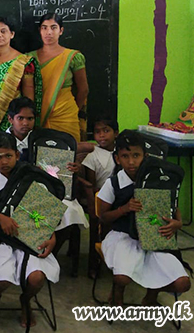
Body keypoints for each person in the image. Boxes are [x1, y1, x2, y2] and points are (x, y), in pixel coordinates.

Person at [0, 132, 59, 329]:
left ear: (17, 155)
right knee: (2, 280)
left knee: (36, 278)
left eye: (8, 156)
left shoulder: (30, 178)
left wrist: (51, 237)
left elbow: (45, 212)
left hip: (27, 233)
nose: (4, 161)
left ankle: (26, 300)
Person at [97, 131, 190, 305]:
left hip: (155, 236)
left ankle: (151, 295)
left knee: (182, 283)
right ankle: (118, 292)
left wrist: (178, 223)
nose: (131, 162)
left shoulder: (158, 180)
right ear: (117, 159)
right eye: (125, 156)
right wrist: (124, 209)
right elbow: (103, 217)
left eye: (136, 155)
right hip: (123, 236)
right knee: (122, 277)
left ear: (145, 157)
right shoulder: (114, 183)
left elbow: (173, 206)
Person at [27, 13, 89, 141]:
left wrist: (73, 110)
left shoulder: (72, 57)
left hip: (66, 115)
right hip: (38, 116)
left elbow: (83, 89)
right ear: (39, 30)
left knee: (69, 150)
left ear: (61, 31)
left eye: (53, 27)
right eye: (44, 28)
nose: (49, 32)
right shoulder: (29, 58)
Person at [80, 115, 118, 278]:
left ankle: (122, 260)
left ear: (116, 133)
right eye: (97, 132)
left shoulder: (122, 152)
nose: (101, 135)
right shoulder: (93, 155)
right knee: (104, 223)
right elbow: (92, 183)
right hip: (101, 196)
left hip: (121, 195)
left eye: (106, 131)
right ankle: (95, 263)